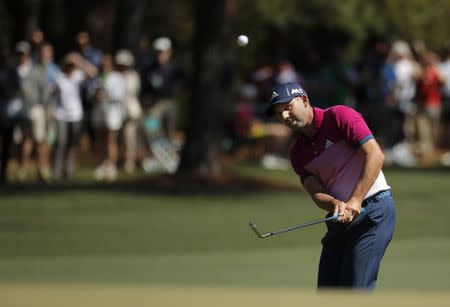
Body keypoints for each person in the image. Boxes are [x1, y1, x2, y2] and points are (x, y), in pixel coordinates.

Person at [265, 82, 396, 290]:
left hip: (374, 211)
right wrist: (334, 203)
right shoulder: (297, 153)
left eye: (288, 107)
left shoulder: (338, 116)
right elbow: (316, 192)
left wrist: (355, 199)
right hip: (340, 219)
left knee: (354, 293)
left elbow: (375, 155)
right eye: (279, 114)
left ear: (304, 100)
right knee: (328, 293)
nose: (284, 117)